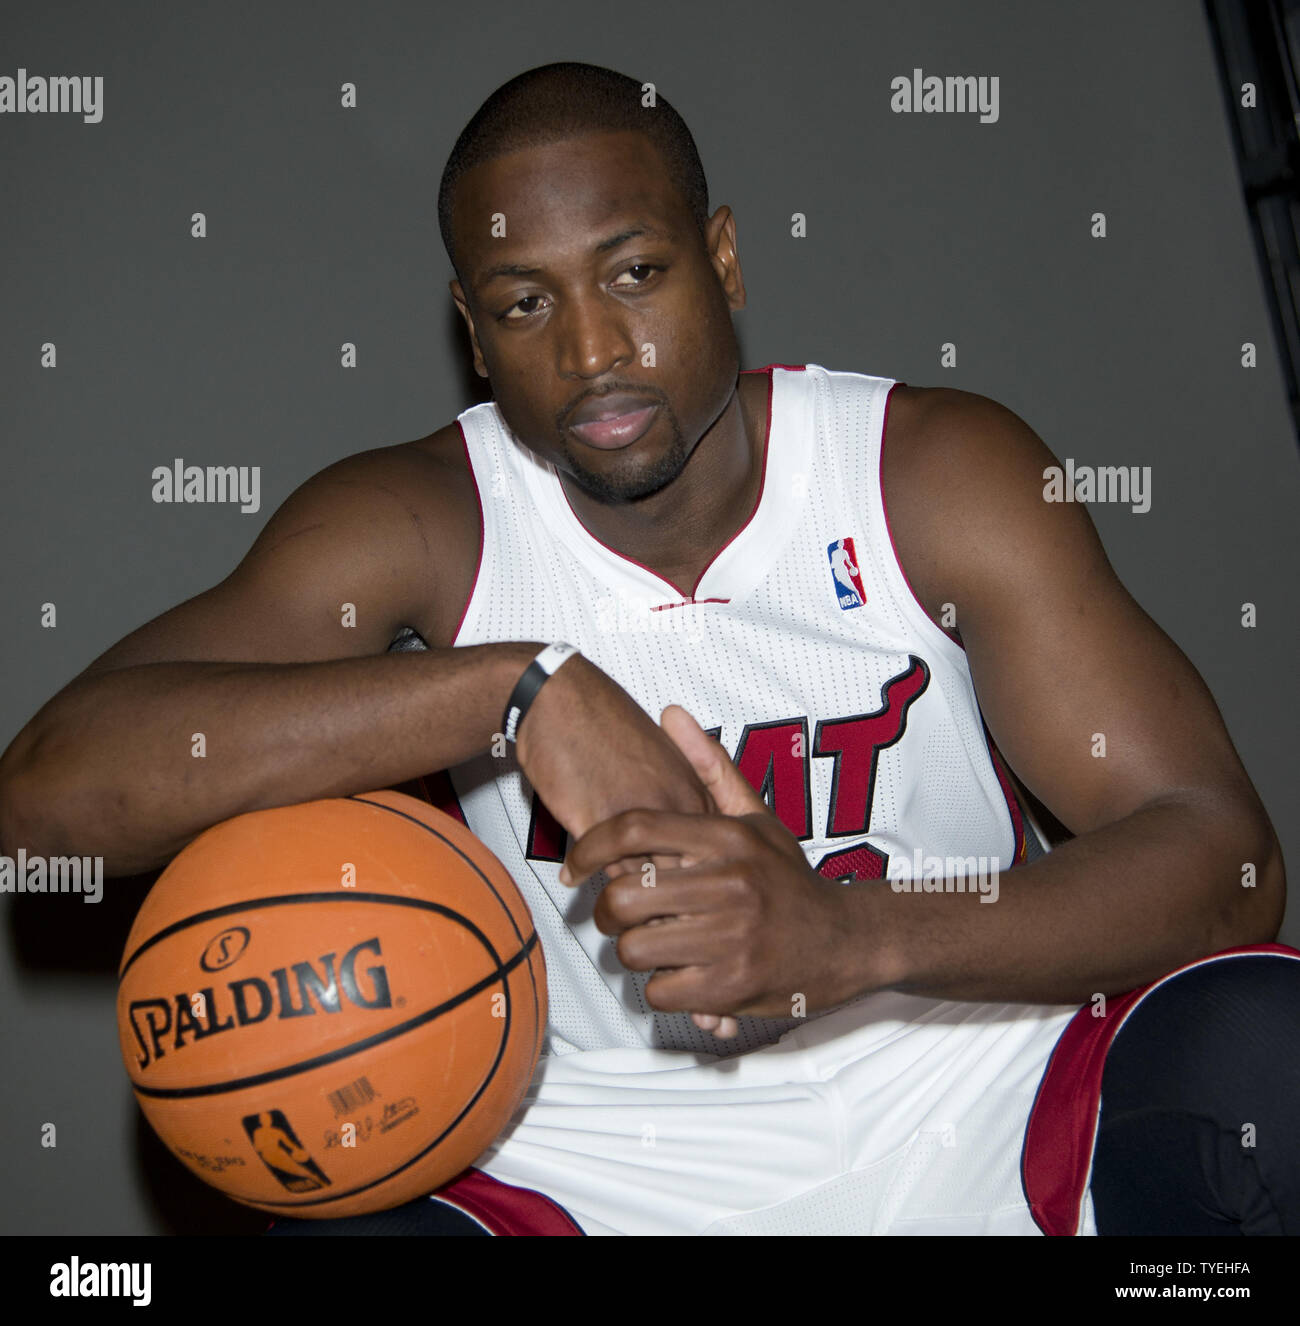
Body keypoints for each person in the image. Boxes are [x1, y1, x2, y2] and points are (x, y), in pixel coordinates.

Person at [1, 61, 1295, 1237]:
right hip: (606, 1167)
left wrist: (844, 935)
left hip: (982, 1091)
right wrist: (512, 691)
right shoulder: (420, 527)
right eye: (524, 302)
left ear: (722, 259)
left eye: (635, 273)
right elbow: (44, 802)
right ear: (471, 326)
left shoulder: (929, 474)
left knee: (1259, 1051)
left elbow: (1223, 861)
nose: (592, 350)